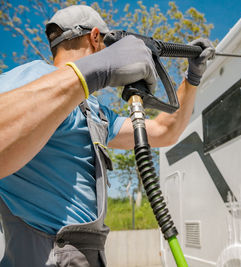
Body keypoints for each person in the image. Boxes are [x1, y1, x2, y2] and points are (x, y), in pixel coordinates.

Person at [0, 5, 214, 266]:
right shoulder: (30, 79)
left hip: (86, 255)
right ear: (95, 37)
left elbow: (163, 132)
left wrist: (191, 78)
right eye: (108, 47)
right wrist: (97, 70)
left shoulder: (93, 112)